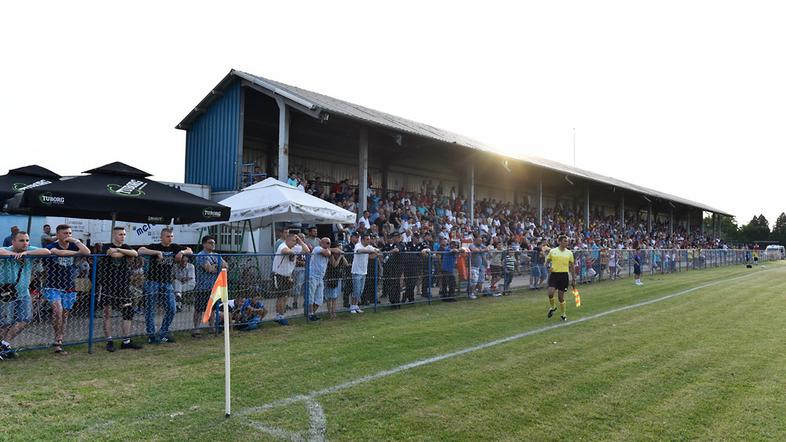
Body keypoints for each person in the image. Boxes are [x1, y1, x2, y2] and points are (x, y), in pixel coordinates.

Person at [0, 231, 50, 359]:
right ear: (13, 242)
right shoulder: (6, 249)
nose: (25, 243)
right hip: (7, 293)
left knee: (25, 319)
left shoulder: (29, 250)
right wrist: (14, 255)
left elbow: (47, 251)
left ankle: (4, 345)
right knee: (5, 323)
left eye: (27, 240)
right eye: (21, 240)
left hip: (23, 292)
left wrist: (26, 253)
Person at [138, 229, 193, 344]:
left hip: (167, 282)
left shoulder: (174, 247)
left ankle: (163, 333)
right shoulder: (155, 246)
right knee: (150, 310)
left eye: (172, 236)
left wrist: (182, 253)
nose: (170, 238)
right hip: (152, 281)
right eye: (168, 236)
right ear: (162, 237)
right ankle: (151, 335)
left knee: (172, 308)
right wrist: (156, 253)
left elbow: (190, 251)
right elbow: (140, 250)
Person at [44, 224, 91, 355]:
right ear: (58, 234)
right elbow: (59, 252)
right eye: (65, 233)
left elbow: (87, 252)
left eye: (70, 233)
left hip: (69, 286)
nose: (68, 236)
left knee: (64, 315)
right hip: (53, 285)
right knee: (57, 311)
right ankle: (57, 339)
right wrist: (78, 253)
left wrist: (76, 241)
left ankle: (59, 340)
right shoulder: (50, 246)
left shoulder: (73, 244)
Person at [98, 227, 142, 352]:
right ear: (114, 235)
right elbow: (114, 255)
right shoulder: (106, 246)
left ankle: (126, 341)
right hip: (108, 284)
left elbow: (135, 253)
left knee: (128, 311)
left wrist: (118, 249)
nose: (122, 236)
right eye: (120, 234)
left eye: (124, 234)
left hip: (123, 284)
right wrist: (124, 253)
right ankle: (109, 340)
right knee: (108, 313)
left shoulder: (125, 246)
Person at [192, 235, 226, 338]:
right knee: (199, 309)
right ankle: (196, 328)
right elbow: (209, 269)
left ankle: (212, 327)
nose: (213, 244)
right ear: (204, 244)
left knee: (212, 308)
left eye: (214, 243)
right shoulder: (201, 255)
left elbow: (226, 266)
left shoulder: (216, 255)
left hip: (214, 287)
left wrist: (216, 267)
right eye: (210, 243)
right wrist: (218, 266)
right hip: (202, 287)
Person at [271, 233, 309, 325]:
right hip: (279, 275)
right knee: (281, 297)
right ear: (287, 240)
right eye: (293, 241)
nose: (295, 243)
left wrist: (300, 241)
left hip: (288, 276)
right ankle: (280, 315)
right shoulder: (282, 245)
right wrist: (294, 252)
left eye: (296, 241)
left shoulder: (296, 247)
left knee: (285, 297)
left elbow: (307, 250)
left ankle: (280, 315)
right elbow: (285, 251)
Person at [307, 237, 342, 321]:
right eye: (326, 243)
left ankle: (311, 313)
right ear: (321, 243)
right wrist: (331, 250)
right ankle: (310, 315)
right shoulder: (317, 248)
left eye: (329, 243)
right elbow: (327, 252)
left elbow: (339, 251)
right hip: (312, 276)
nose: (327, 245)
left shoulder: (329, 251)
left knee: (320, 299)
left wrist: (331, 250)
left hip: (320, 278)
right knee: (311, 296)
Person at [545, 235, 576, 321]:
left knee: (560, 297)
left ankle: (563, 314)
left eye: (567, 241)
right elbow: (547, 262)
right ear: (559, 242)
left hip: (564, 276)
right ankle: (553, 307)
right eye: (565, 241)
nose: (566, 243)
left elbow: (572, 267)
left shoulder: (569, 253)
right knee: (550, 293)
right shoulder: (552, 251)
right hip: (554, 275)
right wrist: (548, 267)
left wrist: (573, 279)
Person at [350, 234, 378, 314]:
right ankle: (352, 306)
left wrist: (376, 251)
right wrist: (370, 251)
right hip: (356, 272)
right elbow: (359, 251)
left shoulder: (369, 246)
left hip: (364, 272)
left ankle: (356, 306)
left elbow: (376, 250)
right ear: (362, 240)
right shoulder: (358, 245)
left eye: (369, 239)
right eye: (367, 239)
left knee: (361, 291)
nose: (369, 241)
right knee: (356, 291)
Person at [324, 242, 349, 319]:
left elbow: (346, 264)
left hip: (337, 277)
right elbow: (334, 265)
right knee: (329, 297)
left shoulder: (340, 256)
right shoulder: (331, 255)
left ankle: (334, 312)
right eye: (338, 248)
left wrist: (342, 256)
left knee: (335, 297)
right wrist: (339, 257)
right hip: (330, 277)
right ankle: (330, 313)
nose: (340, 250)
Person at [381, 232, 404, 308]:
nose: (393, 238)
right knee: (391, 285)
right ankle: (393, 302)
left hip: (397, 269)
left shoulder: (401, 244)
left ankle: (396, 303)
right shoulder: (393, 245)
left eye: (395, 237)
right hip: (390, 268)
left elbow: (397, 250)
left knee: (395, 286)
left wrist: (388, 252)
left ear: (398, 237)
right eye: (393, 237)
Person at [468, 235, 487, 299]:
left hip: (482, 266)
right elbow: (474, 250)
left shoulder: (481, 246)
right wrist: (482, 250)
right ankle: (471, 293)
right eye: (479, 240)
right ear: (475, 240)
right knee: (474, 281)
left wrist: (481, 250)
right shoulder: (472, 245)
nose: (480, 242)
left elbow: (487, 249)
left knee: (480, 281)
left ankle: (475, 292)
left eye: (481, 240)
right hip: (474, 266)